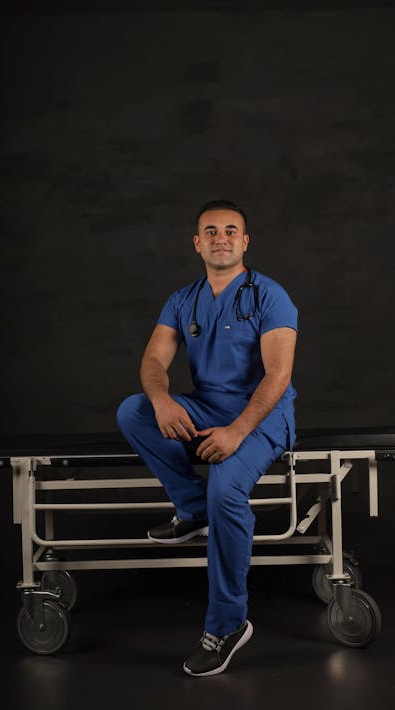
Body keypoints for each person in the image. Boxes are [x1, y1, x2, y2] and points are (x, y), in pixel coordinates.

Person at [117, 199, 297, 677]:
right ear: (198, 243)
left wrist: (238, 431)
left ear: (245, 241)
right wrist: (162, 400)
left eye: (231, 230)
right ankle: (192, 510)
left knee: (225, 488)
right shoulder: (182, 299)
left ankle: (227, 625)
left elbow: (278, 375)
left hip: (262, 416)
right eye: (211, 231)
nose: (222, 238)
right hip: (205, 407)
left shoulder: (269, 296)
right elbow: (154, 362)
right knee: (133, 410)